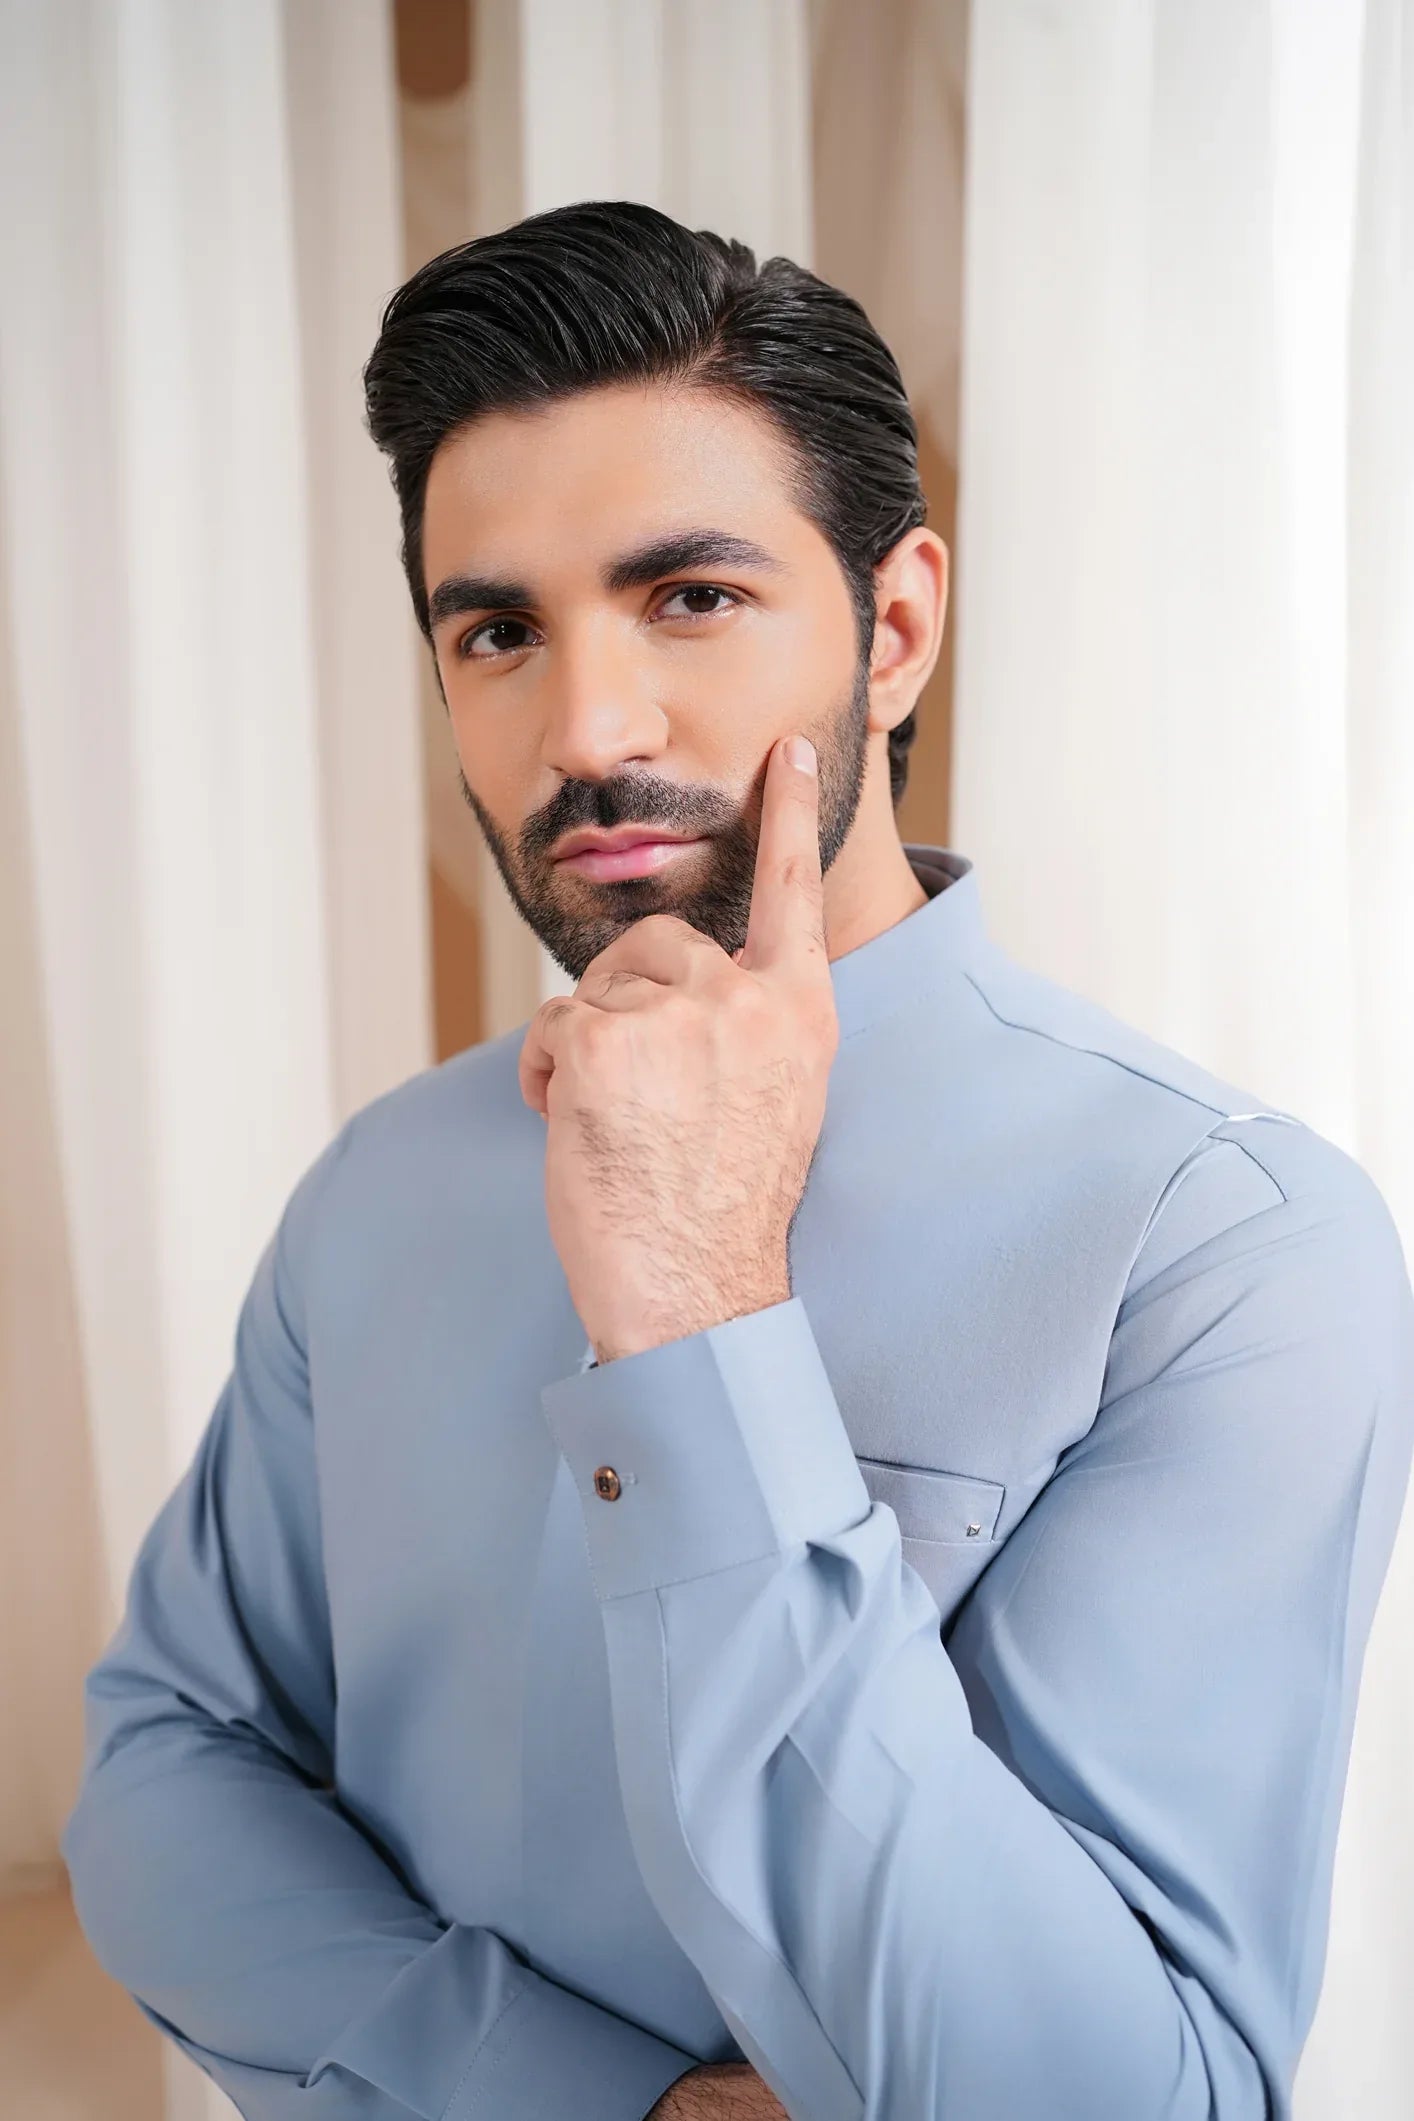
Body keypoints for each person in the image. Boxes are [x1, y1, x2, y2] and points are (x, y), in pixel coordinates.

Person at [62, 200, 1414, 2121]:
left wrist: (699, 1314)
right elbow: (162, 1767)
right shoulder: (379, 1187)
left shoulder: (1224, 1249)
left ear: (896, 628)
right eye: (499, 629)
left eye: (689, 595)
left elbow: (1128, 2091)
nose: (585, 728)